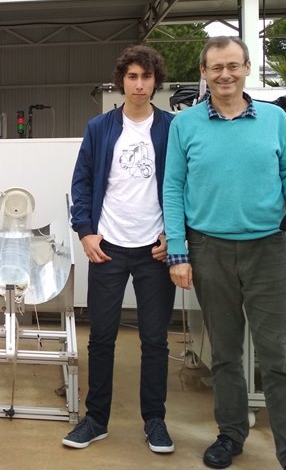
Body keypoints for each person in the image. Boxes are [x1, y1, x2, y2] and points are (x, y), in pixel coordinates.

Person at [163, 35, 286, 470]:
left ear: (247, 68)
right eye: (216, 67)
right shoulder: (185, 125)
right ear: (203, 73)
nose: (225, 75)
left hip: (268, 248)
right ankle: (231, 435)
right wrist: (177, 252)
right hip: (208, 249)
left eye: (233, 65)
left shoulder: (274, 119)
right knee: (226, 354)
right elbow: (173, 188)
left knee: (277, 357)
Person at [65, 44, 176, 454]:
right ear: (121, 81)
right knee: (101, 338)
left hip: (155, 250)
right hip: (108, 247)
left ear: (155, 81)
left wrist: (174, 236)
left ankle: (155, 421)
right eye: (132, 76)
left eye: (146, 77)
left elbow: (183, 185)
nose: (139, 84)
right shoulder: (100, 127)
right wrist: (85, 231)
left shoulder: (172, 128)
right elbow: (82, 181)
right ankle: (96, 420)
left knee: (155, 341)